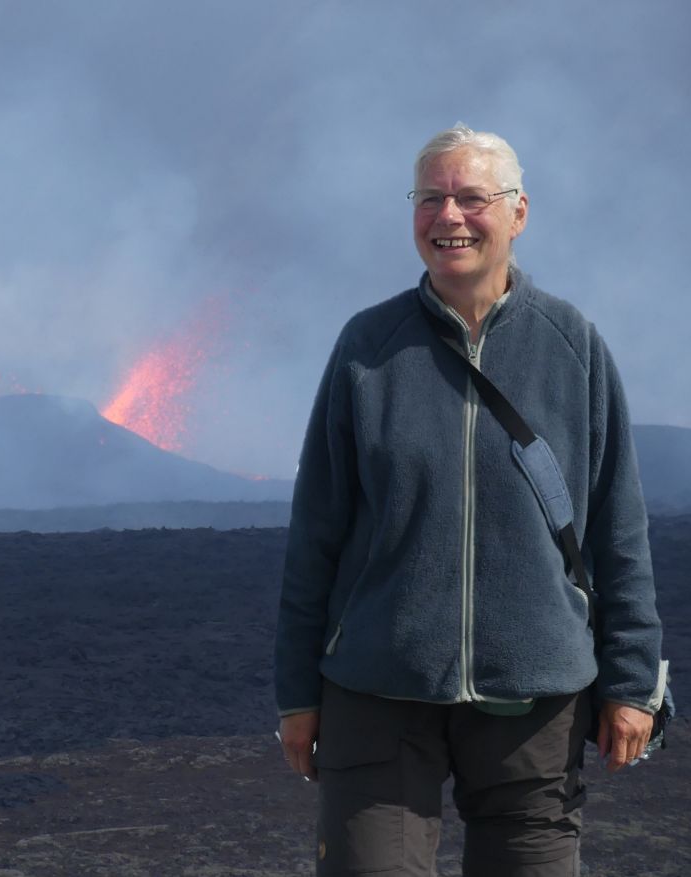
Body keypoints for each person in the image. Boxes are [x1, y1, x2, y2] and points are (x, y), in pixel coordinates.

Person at [273, 123, 665, 877]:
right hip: (378, 689)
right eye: (430, 199)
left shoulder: (573, 345)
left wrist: (633, 683)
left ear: (518, 213)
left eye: (471, 198)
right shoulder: (367, 348)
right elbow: (315, 531)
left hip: (537, 697)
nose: (449, 216)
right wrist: (296, 691)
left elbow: (620, 526)